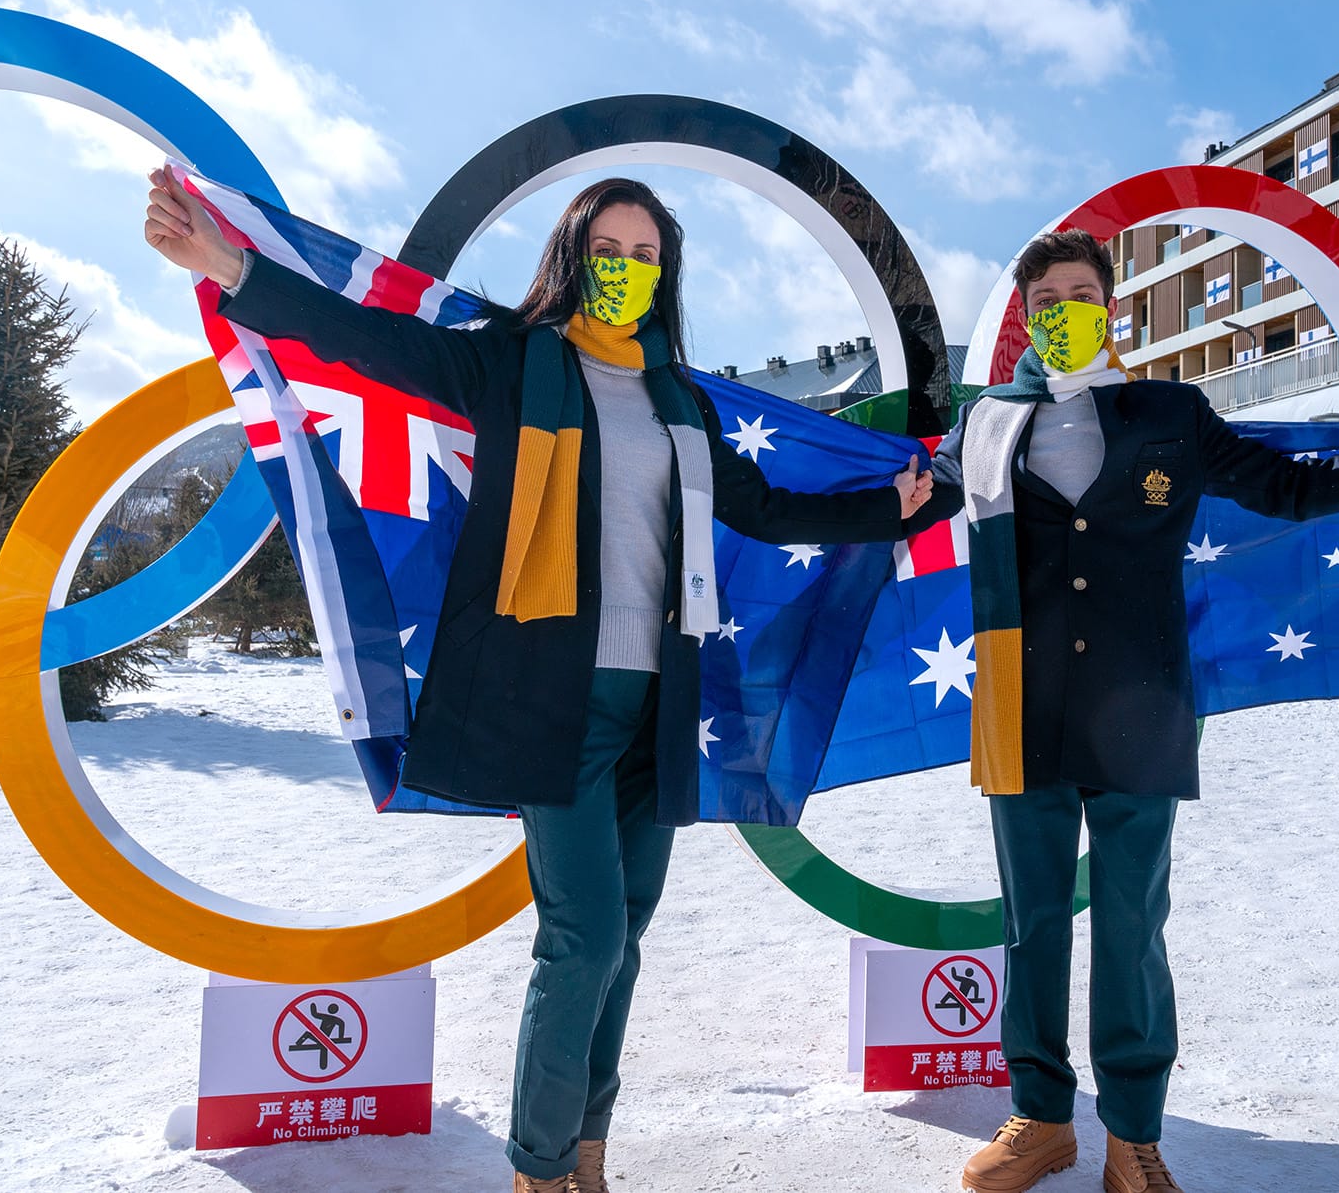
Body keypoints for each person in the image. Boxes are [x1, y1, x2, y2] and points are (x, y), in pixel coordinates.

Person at [144, 170, 935, 1193]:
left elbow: (767, 509)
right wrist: (233, 268)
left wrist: (893, 506)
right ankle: (539, 1167)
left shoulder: (680, 400)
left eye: (646, 256)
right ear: (572, 258)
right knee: (583, 937)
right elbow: (369, 341)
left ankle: (586, 1156)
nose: (627, 270)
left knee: (625, 937)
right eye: (609, 250)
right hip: (552, 701)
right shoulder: (513, 364)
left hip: (660, 699)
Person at [905, 229, 1339, 1193]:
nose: (1066, 310)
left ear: (1109, 308)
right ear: (1025, 314)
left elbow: (1289, 485)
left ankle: (1134, 1135)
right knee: (1032, 922)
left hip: (1140, 702)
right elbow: (907, 501)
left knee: (1131, 922)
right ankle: (1039, 1116)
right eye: (1048, 297)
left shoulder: (1170, 413)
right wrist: (759, 498)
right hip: (1016, 701)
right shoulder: (984, 420)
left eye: (1083, 294)